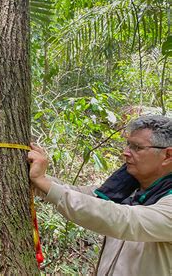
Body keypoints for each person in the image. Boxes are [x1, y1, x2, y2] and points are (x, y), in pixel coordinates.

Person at [28, 115, 172, 276]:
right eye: (128, 145)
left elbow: (124, 219)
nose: (125, 153)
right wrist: (38, 181)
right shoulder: (128, 189)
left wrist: (43, 183)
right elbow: (85, 197)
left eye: (137, 147)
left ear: (167, 155)